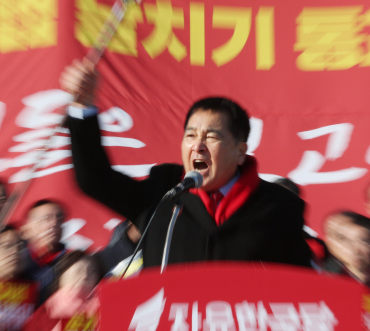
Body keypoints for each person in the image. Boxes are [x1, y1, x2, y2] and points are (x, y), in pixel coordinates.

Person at [60, 58, 311, 268]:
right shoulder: (162, 191)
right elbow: (94, 179)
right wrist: (83, 107)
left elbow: (300, 287)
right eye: (190, 135)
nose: (198, 145)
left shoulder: (279, 207)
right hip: (169, 325)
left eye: (211, 136)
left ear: (240, 151)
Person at [12, 251, 100, 331]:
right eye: (79, 271)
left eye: (92, 271)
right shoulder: (44, 313)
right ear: (62, 275)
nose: (85, 276)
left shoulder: (103, 312)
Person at [21, 199, 67, 300]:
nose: (54, 223)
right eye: (46, 219)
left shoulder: (73, 261)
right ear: (28, 226)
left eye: (59, 219)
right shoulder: (15, 259)